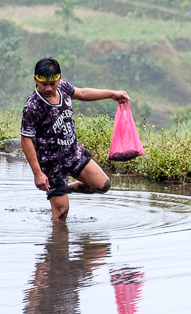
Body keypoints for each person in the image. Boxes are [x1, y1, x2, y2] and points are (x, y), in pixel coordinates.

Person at [20, 56, 129, 222]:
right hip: (52, 165)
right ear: (36, 80)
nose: (49, 88)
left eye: (52, 83)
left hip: (73, 155)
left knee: (103, 185)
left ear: (59, 79)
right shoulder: (33, 106)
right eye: (44, 84)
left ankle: (65, 189)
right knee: (62, 213)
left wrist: (112, 94)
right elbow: (26, 140)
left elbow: (82, 93)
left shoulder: (63, 88)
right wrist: (38, 174)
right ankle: (57, 246)